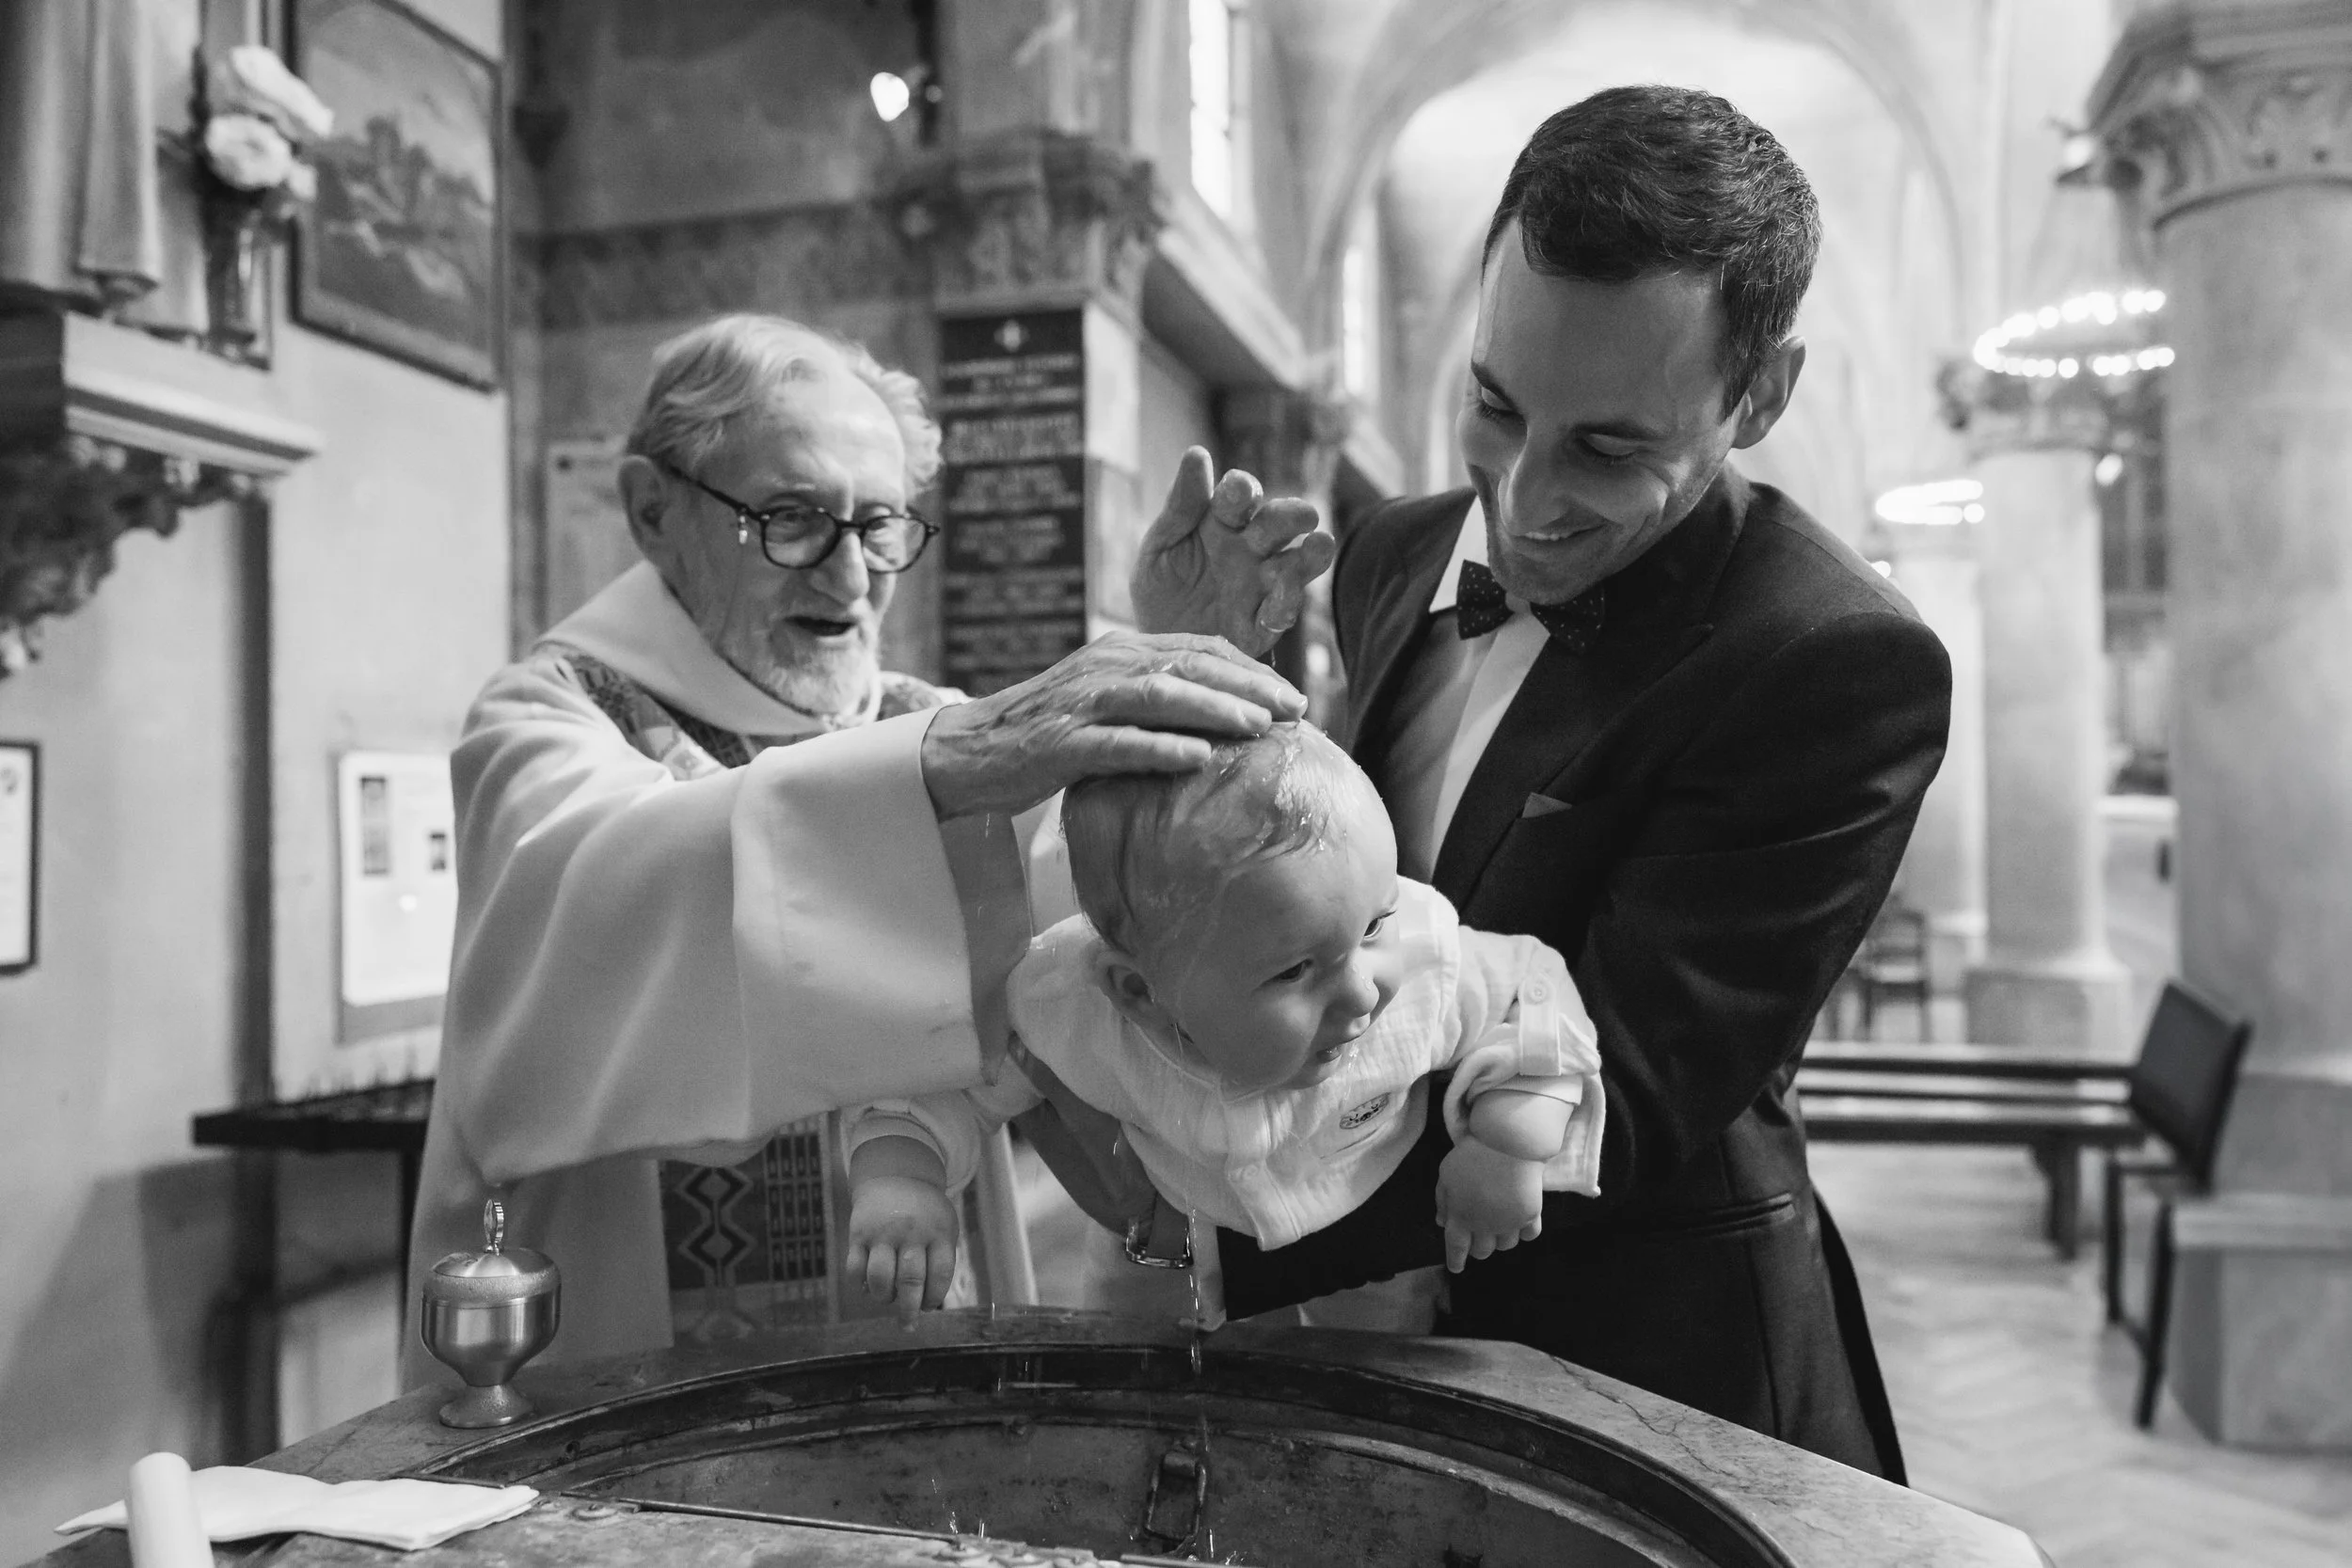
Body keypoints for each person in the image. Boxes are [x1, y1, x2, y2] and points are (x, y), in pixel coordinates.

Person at [1129, 87, 1950, 1480]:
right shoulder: (1396, 546)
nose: (1522, 496)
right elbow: (1324, 871)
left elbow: (1623, 1082)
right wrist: (1198, 677)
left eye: (1612, 447)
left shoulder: (1834, 659)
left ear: (1761, 394)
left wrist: (1200, 1174)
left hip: (1639, 1353)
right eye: (1498, 407)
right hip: (1364, 1337)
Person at [405, 314, 1315, 1381]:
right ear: (653, 508)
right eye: (791, 518)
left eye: (879, 525)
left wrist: (1188, 690)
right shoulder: (550, 716)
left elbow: (1144, 916)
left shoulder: (933, 724)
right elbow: (589, 899)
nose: (848, 578)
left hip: (910, 1365)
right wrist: (934, 773)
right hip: (628, 1366)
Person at [839, 721, 1606, 1318]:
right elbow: (943, 1077)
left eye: (1372, 927)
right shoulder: (1068, 1006)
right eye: (1297, 971)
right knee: (1143, 1401)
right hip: (1156, 1276)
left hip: (1370, 1247)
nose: (1364, 994)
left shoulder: (1422, 963)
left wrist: (1512, 1134)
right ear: (1137, 991)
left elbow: (1531, 989)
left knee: (1375, 1405)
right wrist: (902, 1179)